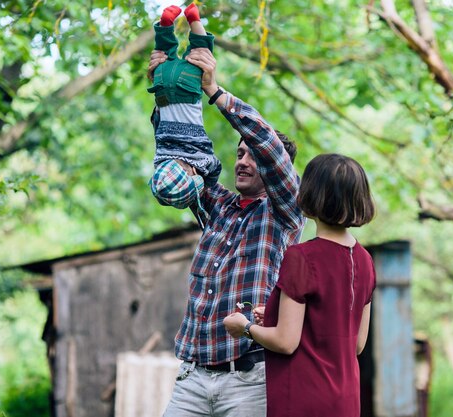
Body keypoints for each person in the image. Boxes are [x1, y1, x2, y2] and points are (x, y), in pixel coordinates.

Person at [147, 41, 305, 417]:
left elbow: (266, 142)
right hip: (193, 378)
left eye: (252, 155)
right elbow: (179, 157)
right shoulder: (217, 206)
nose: (243, 162)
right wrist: (165, 92)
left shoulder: (286, 212)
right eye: (239, 154)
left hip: (249, 380)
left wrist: (215, 92)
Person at [224, 153, 377, 417]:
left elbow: (285, 341)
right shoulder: (365, 260)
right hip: (346, 401)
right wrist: (273, 315)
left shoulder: (302, 257)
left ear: (312, 194)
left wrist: (245, 327)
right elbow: (355, 343)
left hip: (303, 399)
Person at [148, 3, 221, 187]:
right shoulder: (161, 161)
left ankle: (194, 18)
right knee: (164, 52)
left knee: (201, 51)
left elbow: (214, 172)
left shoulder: (202, 159)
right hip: (163, 87)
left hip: (188, 91)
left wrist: (200, 176)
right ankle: (165, 24)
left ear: (193, 174)